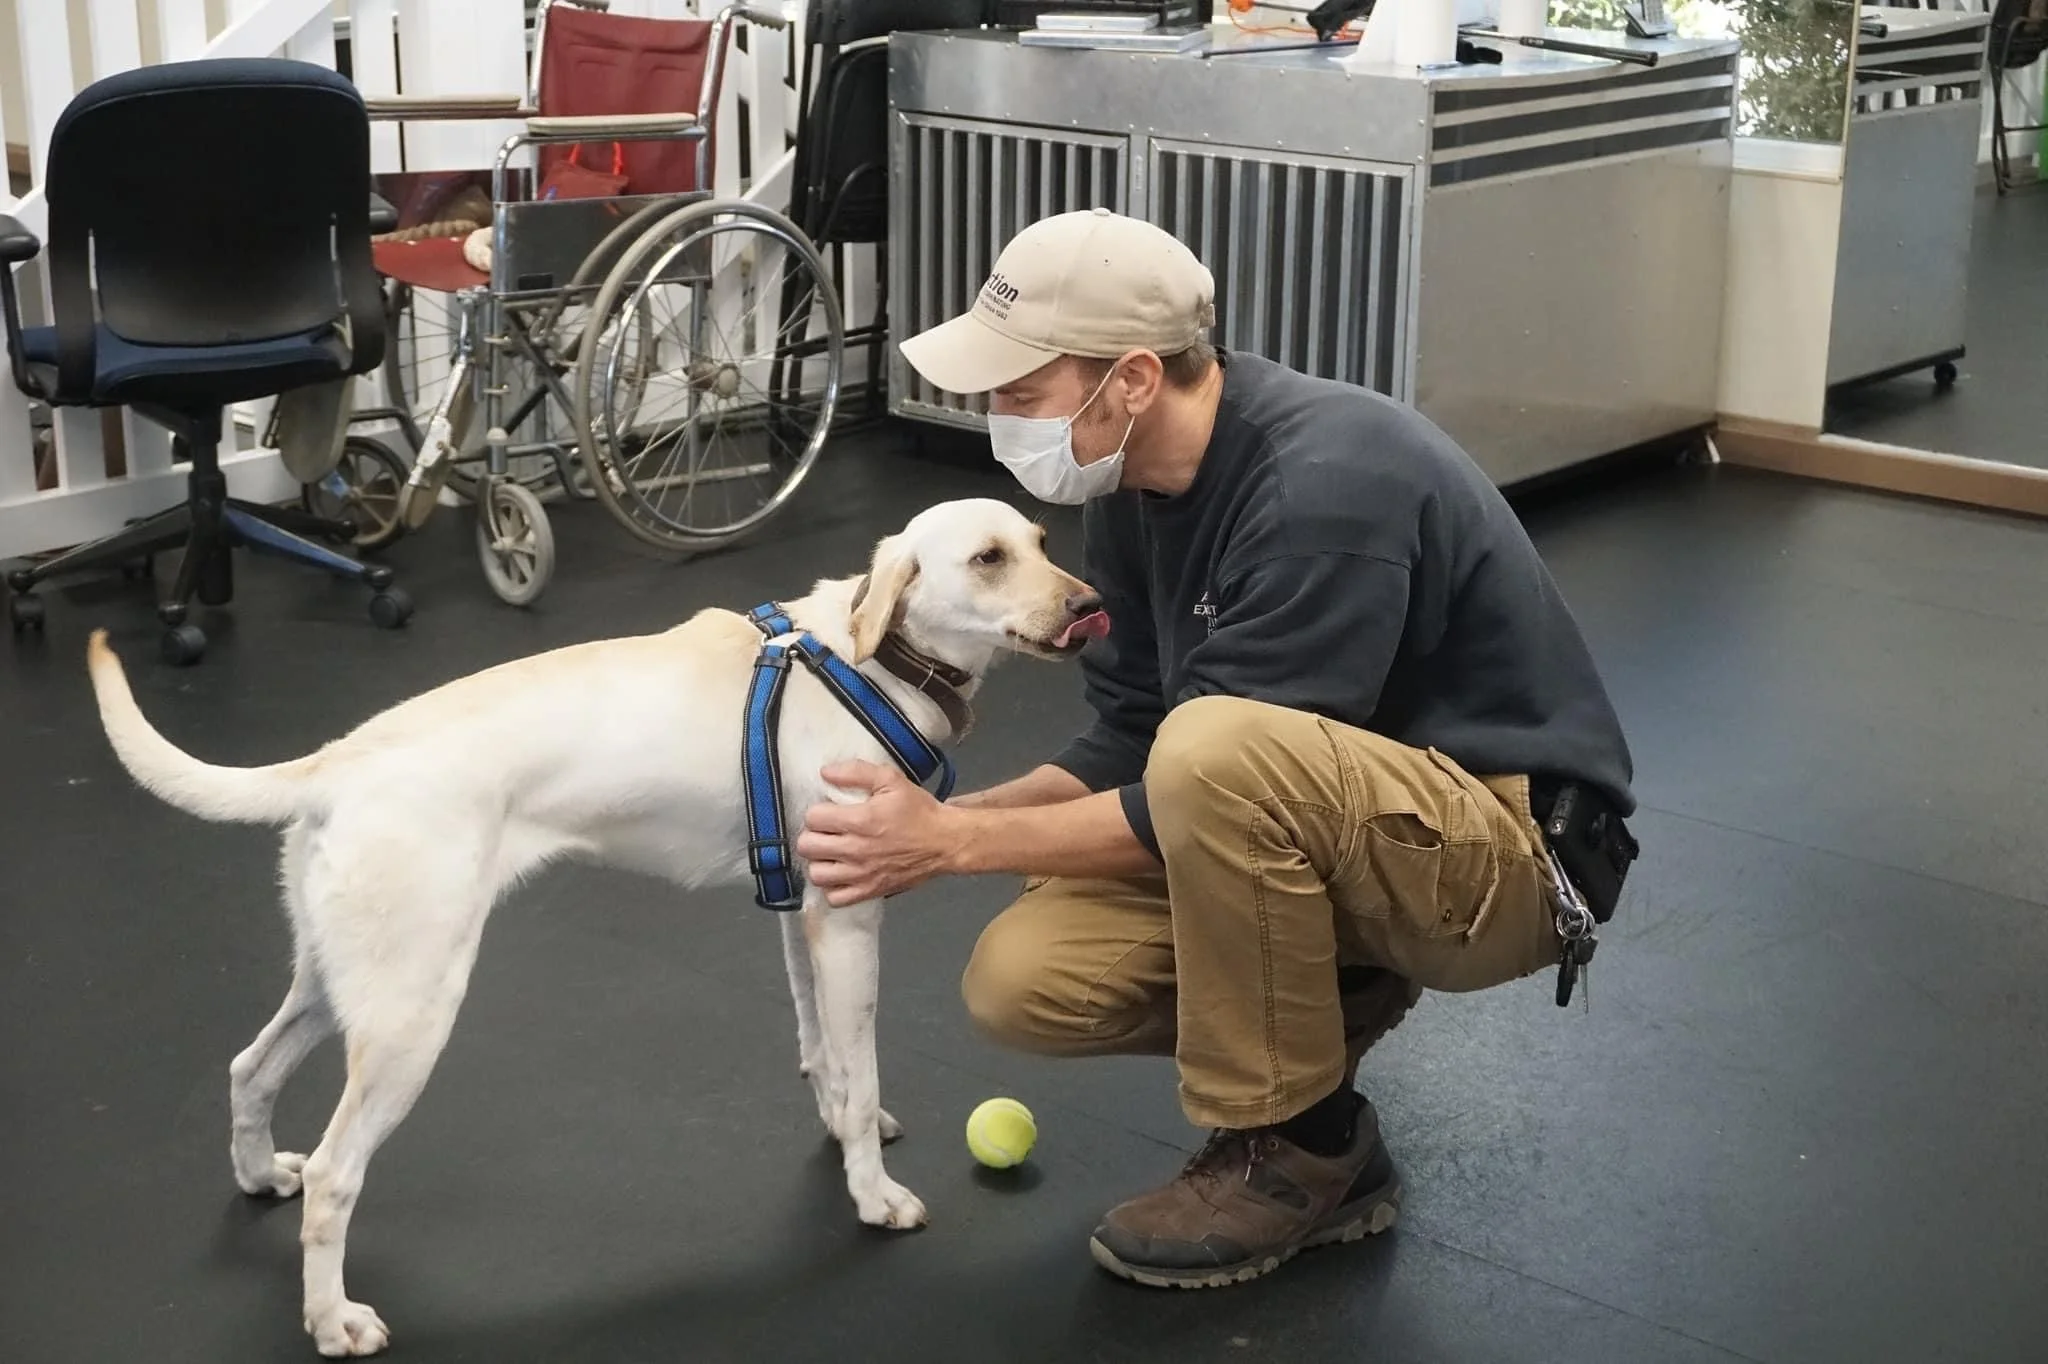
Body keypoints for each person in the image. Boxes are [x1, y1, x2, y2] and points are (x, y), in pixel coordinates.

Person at [794, 208, 1638, 1288]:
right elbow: (1129, 737)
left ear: (1132, 380)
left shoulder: (1324, 481)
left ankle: (1299, 1150)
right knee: (1024, 978)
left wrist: (952, 843)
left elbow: (1205, 776)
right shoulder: (1132, 492)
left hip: (1512, 850)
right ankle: (1336, 1011)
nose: (992, 415)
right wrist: (925, 824)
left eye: (1017, 392)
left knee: (1212, 749)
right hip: (1356, 824)